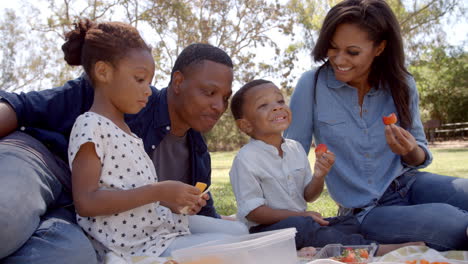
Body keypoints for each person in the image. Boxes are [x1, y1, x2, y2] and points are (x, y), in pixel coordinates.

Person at [0, 22, 247, 263]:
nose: (219, 107)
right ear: (179, 82)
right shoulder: (120, 93)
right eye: (209, 92)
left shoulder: (198, 154)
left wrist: (242, 222)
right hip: (43, 161)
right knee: (5, 220)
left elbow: (198, 214)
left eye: (225, 98)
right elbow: (21, 107)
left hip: (78, 214)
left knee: (72, 256)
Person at [284, 0, 468, 250]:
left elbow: (420, 154)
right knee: (453, 223)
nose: (338, 59)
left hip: (409, 183)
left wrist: (409, 149)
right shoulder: (312, 85)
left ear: (379, 48)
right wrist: (288, 213)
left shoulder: (401, 83)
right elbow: (291, 158)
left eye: (352, 52)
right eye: (332, 47)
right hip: (365, 211)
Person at [229, 79, 422, 256]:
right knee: (304, 226)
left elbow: (308, 196)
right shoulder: (246, 159)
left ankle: (317, 247)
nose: (276, 108)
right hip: (264, 233)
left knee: (348, 222)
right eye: (264, 105)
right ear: (245, 125)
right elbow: (254, 212)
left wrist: (319, 175)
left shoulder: (295, 148)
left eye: (280, 101)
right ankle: (372, 250)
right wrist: (301, 215)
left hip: (300, 224)